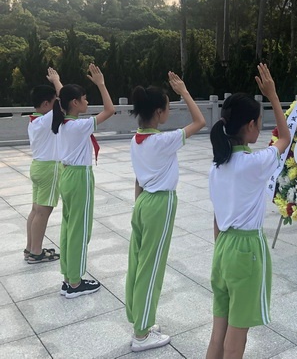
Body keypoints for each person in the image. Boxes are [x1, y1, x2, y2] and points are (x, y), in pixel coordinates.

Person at [206, 64, 291, 359]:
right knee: (237, 333)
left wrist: (221, 250)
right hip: (245, 249)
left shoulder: (216, 167)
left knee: (219, 330)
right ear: (251, 125)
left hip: (222, 247)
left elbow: (217, 217)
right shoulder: (253, 164)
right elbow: (285, 139)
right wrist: (273, 96)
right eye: (259, 122)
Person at [126, 72, 206, 352]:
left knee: (139, 262)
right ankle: (141, 334)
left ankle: (141, 319)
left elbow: (138, 179)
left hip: (143, 203)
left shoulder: (136, 139)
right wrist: (184, 91)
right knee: (152, 266)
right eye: (168, 107)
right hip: (159, 204)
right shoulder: (163, 140)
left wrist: (137, 207)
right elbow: (200, 121)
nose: (169, 112)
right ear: (158, 112)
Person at [51, 64, 114, 298]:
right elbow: (109, 110)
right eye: (84, 98)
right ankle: (76, 283)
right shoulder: (79, 126)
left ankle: (69, 278)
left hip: (67, 176)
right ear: (75, 103)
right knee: (80, 229)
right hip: (79, 177)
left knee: (69, 227)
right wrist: (101, 85)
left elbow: (64, 97)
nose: (87, 102)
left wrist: (58, 82)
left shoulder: (63, 123)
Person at [24, 68, 63, 264]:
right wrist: (56, 81)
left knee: (35, 209)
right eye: (54, 102)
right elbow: (66, 102)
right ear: (46, 104)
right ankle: (36, 252)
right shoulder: (46, 119)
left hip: (38, 166)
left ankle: (31, 248)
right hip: (49, 168)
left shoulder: (35, 120)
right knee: (43, 211)